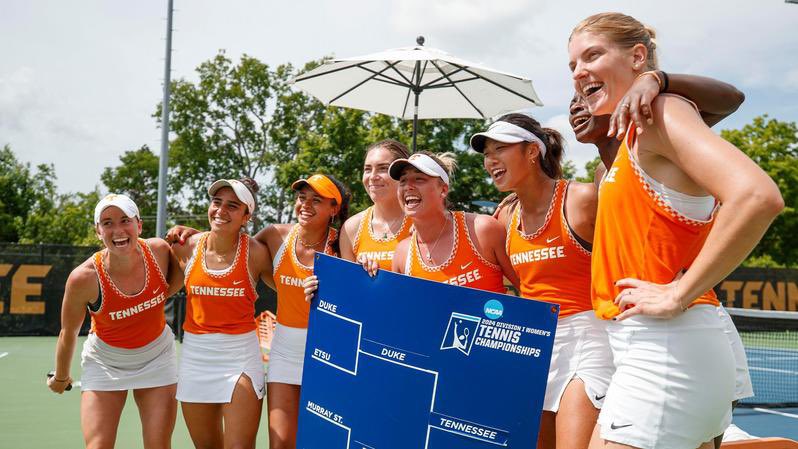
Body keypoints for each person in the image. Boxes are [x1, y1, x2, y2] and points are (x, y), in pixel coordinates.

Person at [569, 12, 783, 449]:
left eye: (592, 55)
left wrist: (676, 294)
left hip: (666, 348)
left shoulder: (661, 112)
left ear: (637, 55)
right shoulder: (627, 143)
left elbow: (758, 196)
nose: (578, 72)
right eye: (572, 65)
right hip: (657, 348)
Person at [472, 115, 613, 449]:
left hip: (590, 338)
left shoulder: (582, 200)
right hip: (535, 343)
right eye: (486, 153)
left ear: (532, 152)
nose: (490, 160)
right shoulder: (505, 216)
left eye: (500, 149)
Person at [48, 193, 181, 449]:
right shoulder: (83, 278)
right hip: (105, 363)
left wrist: (185, 231)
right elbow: (68, 332)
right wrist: (61, 378)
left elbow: (189, 265)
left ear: (139, 225)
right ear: (98, 231)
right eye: (107, 223)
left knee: (158, 444)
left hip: (157, 358)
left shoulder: (160, 252)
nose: (117, 230)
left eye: (125, 220)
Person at [169, 178, 273, 449]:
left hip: (240, 357)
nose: (221, 211)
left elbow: (289, 287)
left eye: (233, 206)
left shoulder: (257, 254)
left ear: (246, 216)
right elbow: (158, 290)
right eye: (217, 202)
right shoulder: (184, 246)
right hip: (196, 356)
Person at [255, 173, 350, 449]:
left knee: (322, 441)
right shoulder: (275, 235)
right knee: (281, 442)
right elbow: (236, 246)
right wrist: (190, 234)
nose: (305, 205)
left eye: (316, 200)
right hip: (284, 350)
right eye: (302, 197)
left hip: (329, 352)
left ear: (334, 209)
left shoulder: (344, 243)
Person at [386, 151, 518, 291]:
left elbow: (527, 288)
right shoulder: (403, 253)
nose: (408, 186)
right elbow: (398, 309)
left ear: (443, 190)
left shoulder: (482, 230)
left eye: (419, 179)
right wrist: (367, 269)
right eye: (402, 181)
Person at [339, 139, 413, 269]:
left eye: (383, 168)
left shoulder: (420, 222)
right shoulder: (351, 228)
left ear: (401, 172)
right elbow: (348, 286)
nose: (373, 176)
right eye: (367, 169)